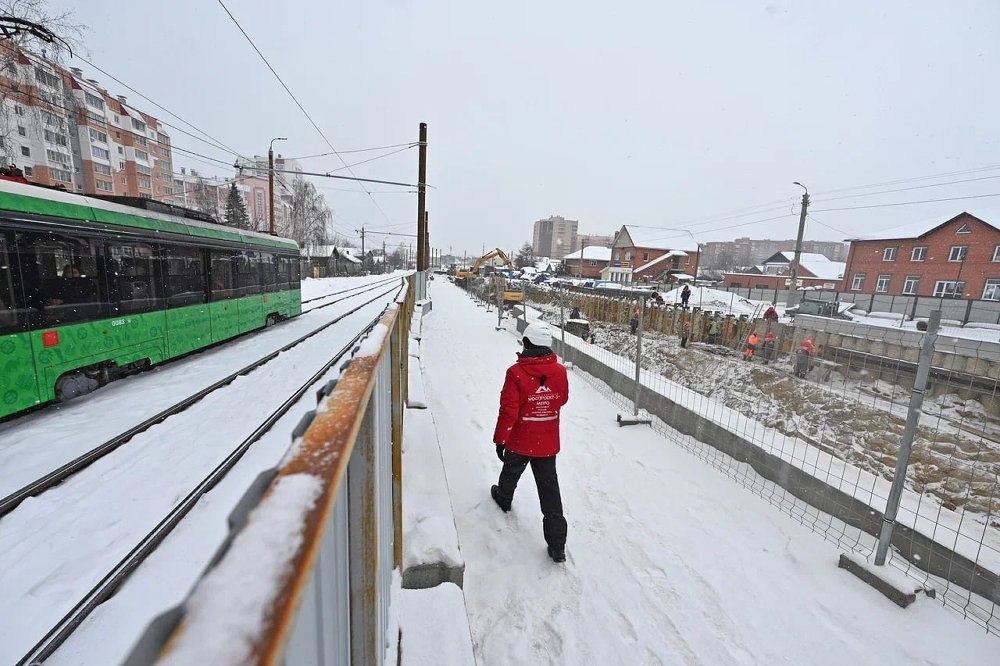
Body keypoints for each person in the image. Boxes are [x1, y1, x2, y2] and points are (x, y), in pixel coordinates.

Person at [491, 322, 570, 563]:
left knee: (511, 471)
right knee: (549, 490)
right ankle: (557, 544)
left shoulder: (516, 373)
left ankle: (504, 498)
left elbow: (509, 411)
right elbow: (562, 399)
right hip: (546, 442)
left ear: (526, 343)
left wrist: (500, 440)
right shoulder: (559, 371)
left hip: (520, 438)